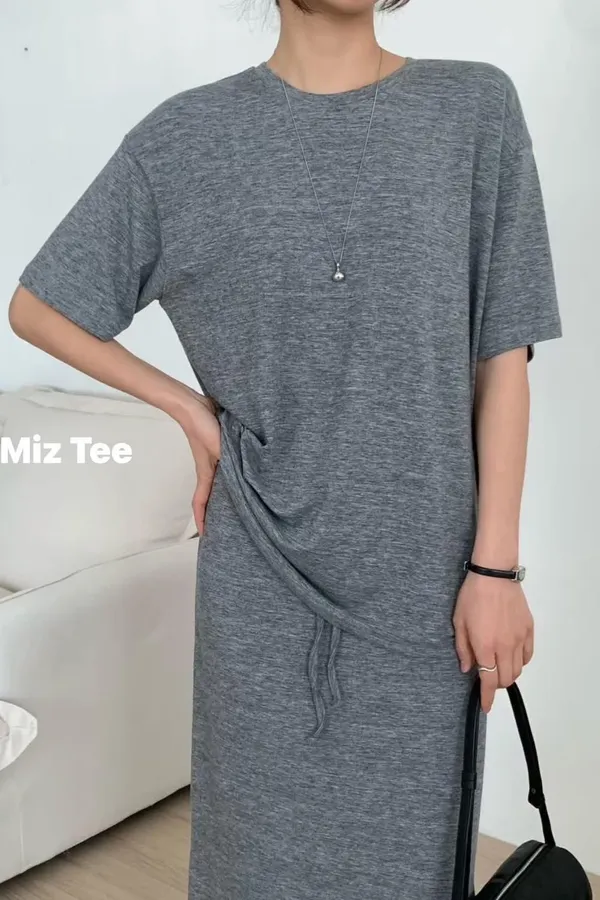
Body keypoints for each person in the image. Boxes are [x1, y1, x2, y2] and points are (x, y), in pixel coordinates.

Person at [8, 0, 562, 897]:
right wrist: (188, 410)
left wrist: (496, 569)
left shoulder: (473, 110)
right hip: (258, 578)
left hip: (427, 588)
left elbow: (505, 357)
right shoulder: (185, 139)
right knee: (252, 861)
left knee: (407, 865)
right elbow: (40, 305)